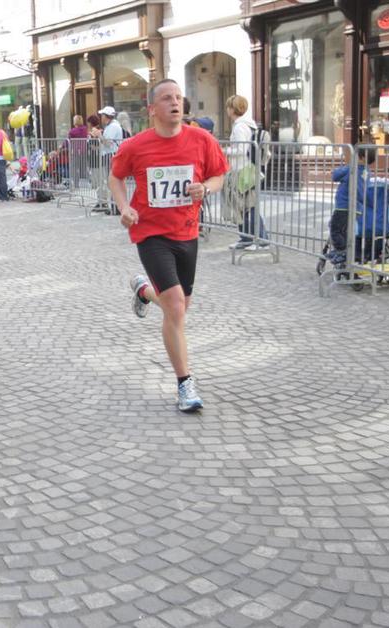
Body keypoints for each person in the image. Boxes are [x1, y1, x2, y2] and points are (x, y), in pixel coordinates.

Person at [109, 78, 228, 413]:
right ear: (152, 109)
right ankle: (185, 383)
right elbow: (115, 177)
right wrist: (124, 207)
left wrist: (206, 188)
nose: (175, 102)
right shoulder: (136, 146)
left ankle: (144, 291)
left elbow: (219, 175)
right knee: (175, 305)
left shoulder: (202, 140)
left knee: (180, 305)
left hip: (186, 233)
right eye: (166, 98)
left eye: (178, 97)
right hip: (150, 233)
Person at [225, 95, 269, 250]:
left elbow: (241, 149)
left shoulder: (239, 127)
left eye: (228, 107)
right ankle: (247, 238)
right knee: (245, 206)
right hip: (248, 169)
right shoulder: (249, 125)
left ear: (233, 109)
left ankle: (260, 240)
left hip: (242, 169)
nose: (227, 110)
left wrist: (224, 150)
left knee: (248, 206)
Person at [97, 106, 123, 211]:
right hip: (110, 155)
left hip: (111, 155)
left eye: (102, 115)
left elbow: (108, 143)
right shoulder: (111, 126)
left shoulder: (113, 127)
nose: (101, 118)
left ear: (106, 116)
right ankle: (114, 206)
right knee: (112, 181)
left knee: (113, 181)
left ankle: (115, 206)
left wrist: (99, 135)